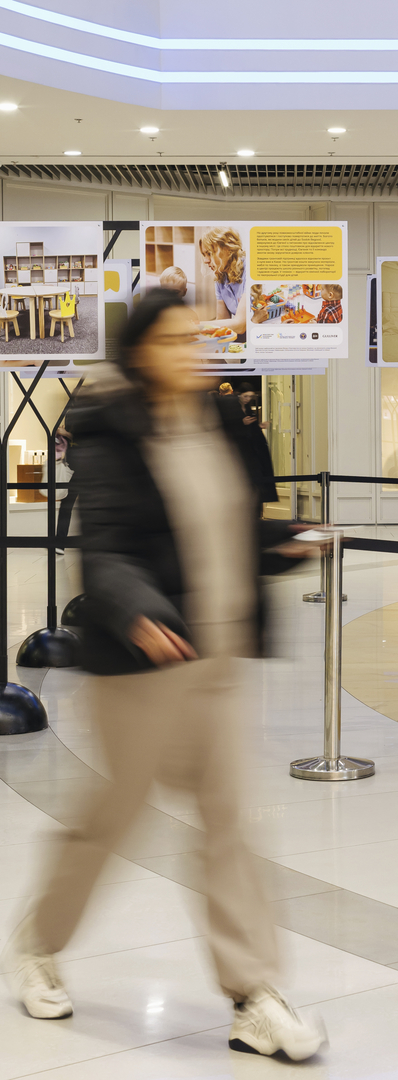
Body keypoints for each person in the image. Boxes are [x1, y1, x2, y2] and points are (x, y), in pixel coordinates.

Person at [2, 290, 327, 1063]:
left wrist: (284, 542)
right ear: (142, 349)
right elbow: (106, 546)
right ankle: (39, 943)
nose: (195, 351)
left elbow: (227, 528)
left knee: (227, 825)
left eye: (198, 338)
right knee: (114, 816)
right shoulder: (109, 425)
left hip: (213, 661)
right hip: (141, 662)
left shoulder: (213, 418)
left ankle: (253, 995)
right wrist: (141, 610)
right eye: (177, 340)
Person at [199, 226, 247, 340]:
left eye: (209, 253)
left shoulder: (250, 271)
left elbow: (240, 325)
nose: (206, 260)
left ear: (227, 249)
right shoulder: (221, 276)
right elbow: (221, 323)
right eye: (204, 255)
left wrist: (196, 327)